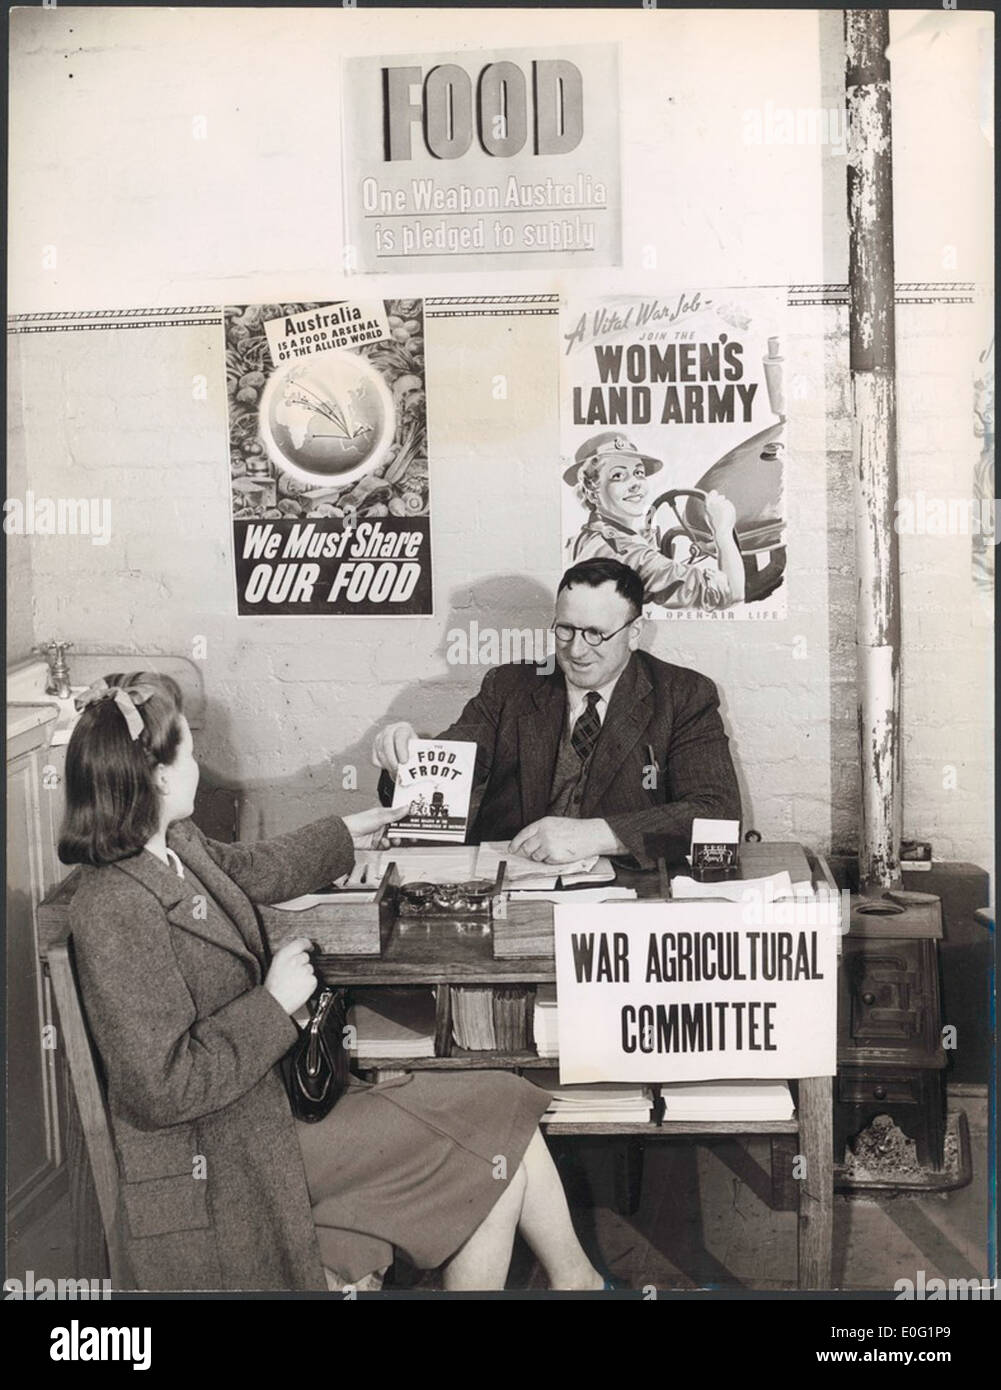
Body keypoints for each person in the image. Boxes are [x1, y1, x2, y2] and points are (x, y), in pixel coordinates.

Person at [60, 672, 608, 1292]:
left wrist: (351, 831)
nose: (200, 763)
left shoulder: (174, 842)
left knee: (500, 1123)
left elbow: (251, 868)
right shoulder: (113, 905)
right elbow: (165, 1089)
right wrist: (273, 1004)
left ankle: (578, 1282)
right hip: (225, 1151)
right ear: (157, 775)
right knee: (498, 1129)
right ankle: (580, 1283)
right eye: (190, 749)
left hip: (264, 1109)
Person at [373, 558, 741, 867]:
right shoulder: (508, 687)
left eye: (596, 634)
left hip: (626, 893)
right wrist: (404, 762)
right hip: (511, 885)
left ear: (634, 633)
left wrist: (600, 835)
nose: (576, 651)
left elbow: (718, 816)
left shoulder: (684, 696)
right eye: (565, 630)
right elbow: (446, 774)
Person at [563, 431, 745, 610]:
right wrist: (723, 532)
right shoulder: (631, 555)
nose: (636, 483)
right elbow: (731, 595)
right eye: (618, 476)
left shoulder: (585, 537)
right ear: (592, 493)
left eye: (639, 473)